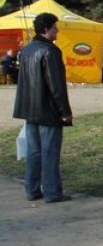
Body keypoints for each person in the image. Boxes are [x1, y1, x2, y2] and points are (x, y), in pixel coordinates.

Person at [12, 12, 73, 203]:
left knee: (33, 152)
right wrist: (65, 112)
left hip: (30, 110)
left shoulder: (27, 50)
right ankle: (52, 192)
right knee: (50, 153)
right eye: (55, 27)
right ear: (46, 29)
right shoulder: (50, 51)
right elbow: (56, 86)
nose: (58, 31)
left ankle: (31, 189)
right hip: (47, 111)